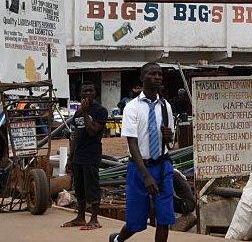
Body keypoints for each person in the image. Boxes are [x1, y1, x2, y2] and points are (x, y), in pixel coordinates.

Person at [109, 63, 175, 242]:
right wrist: (146, 176)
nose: (158, 77)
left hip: (162, 166)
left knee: (164, 217)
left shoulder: (165, 106)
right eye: (152, 74)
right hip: (139, 169)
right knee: (135, 222)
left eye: (160, 74)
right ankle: (117, 240)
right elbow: (132, 143)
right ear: (142, 78)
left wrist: (169, 136)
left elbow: (170, 142)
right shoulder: (132, 107)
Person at [63, 81, 108, 231]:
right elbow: (74, 136)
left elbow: (93, 131)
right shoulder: (77, 113)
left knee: (92, 187)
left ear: (95, 93)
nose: (87, 94)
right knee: (80, 188)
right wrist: (70, 158)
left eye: (90, 91)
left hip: (91, 155)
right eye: (84, 91)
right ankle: (80, 217)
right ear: (80, 94)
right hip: (78, 156)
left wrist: (86, 113)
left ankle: (94, 219)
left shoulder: (100, 111)